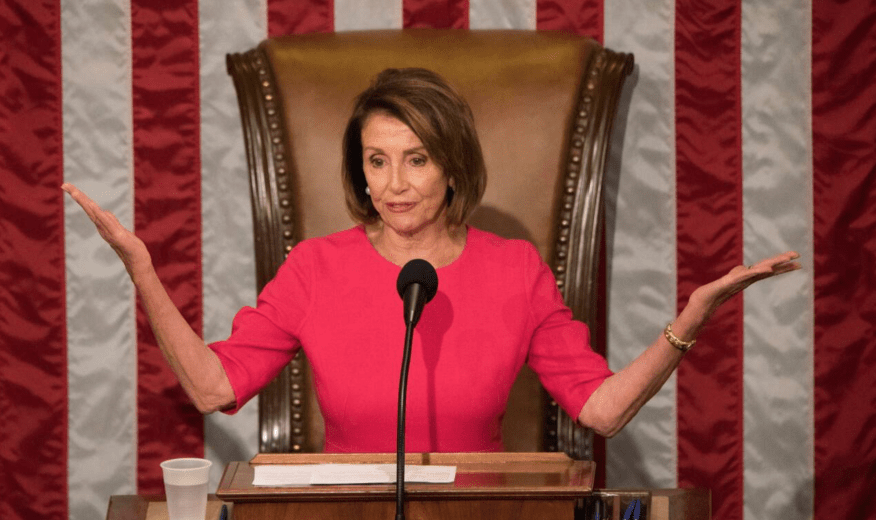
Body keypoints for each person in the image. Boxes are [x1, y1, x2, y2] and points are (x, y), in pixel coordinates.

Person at [62, 68, 800, 452]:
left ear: (452, 166)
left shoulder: (515, 271)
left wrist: (689, 319)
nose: (394, 184)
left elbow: (602, 412)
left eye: (416, 159)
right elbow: (210, 387)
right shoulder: (315, 268)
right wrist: (142, 271)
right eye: (376, 161)